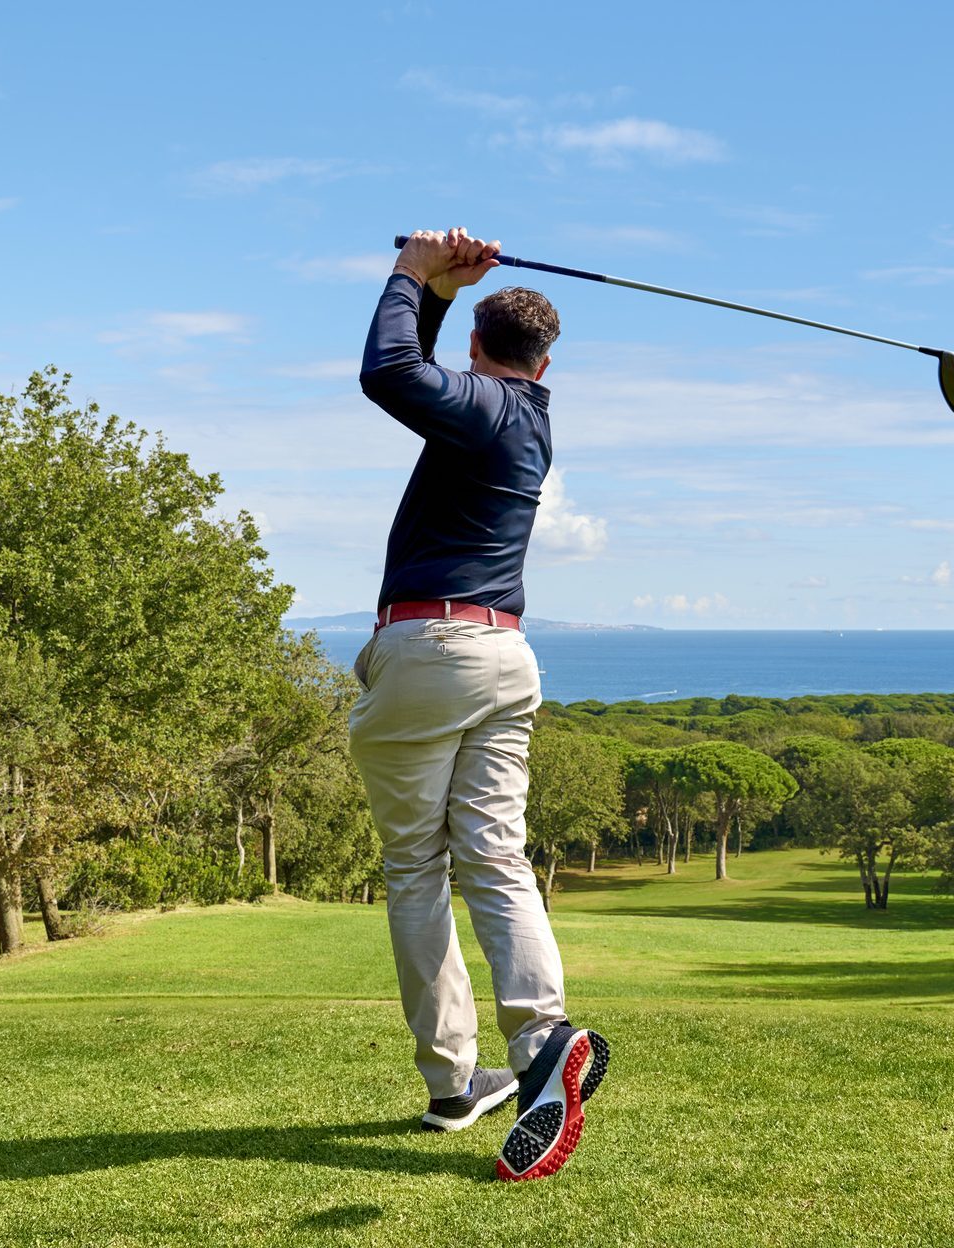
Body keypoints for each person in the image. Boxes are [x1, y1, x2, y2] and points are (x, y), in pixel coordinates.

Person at [348, 227, 610, 1182]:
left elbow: (390, 374)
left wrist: (411, 273)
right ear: (549, 362)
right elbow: (422, 378)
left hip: (432, 652)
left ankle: (454, 1081)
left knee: (416, 868)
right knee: (495, 854)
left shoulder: (487, 407)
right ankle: (541, 1045)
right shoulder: (522, 412)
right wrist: (442, 292)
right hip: (505, 656)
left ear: (477, 351)